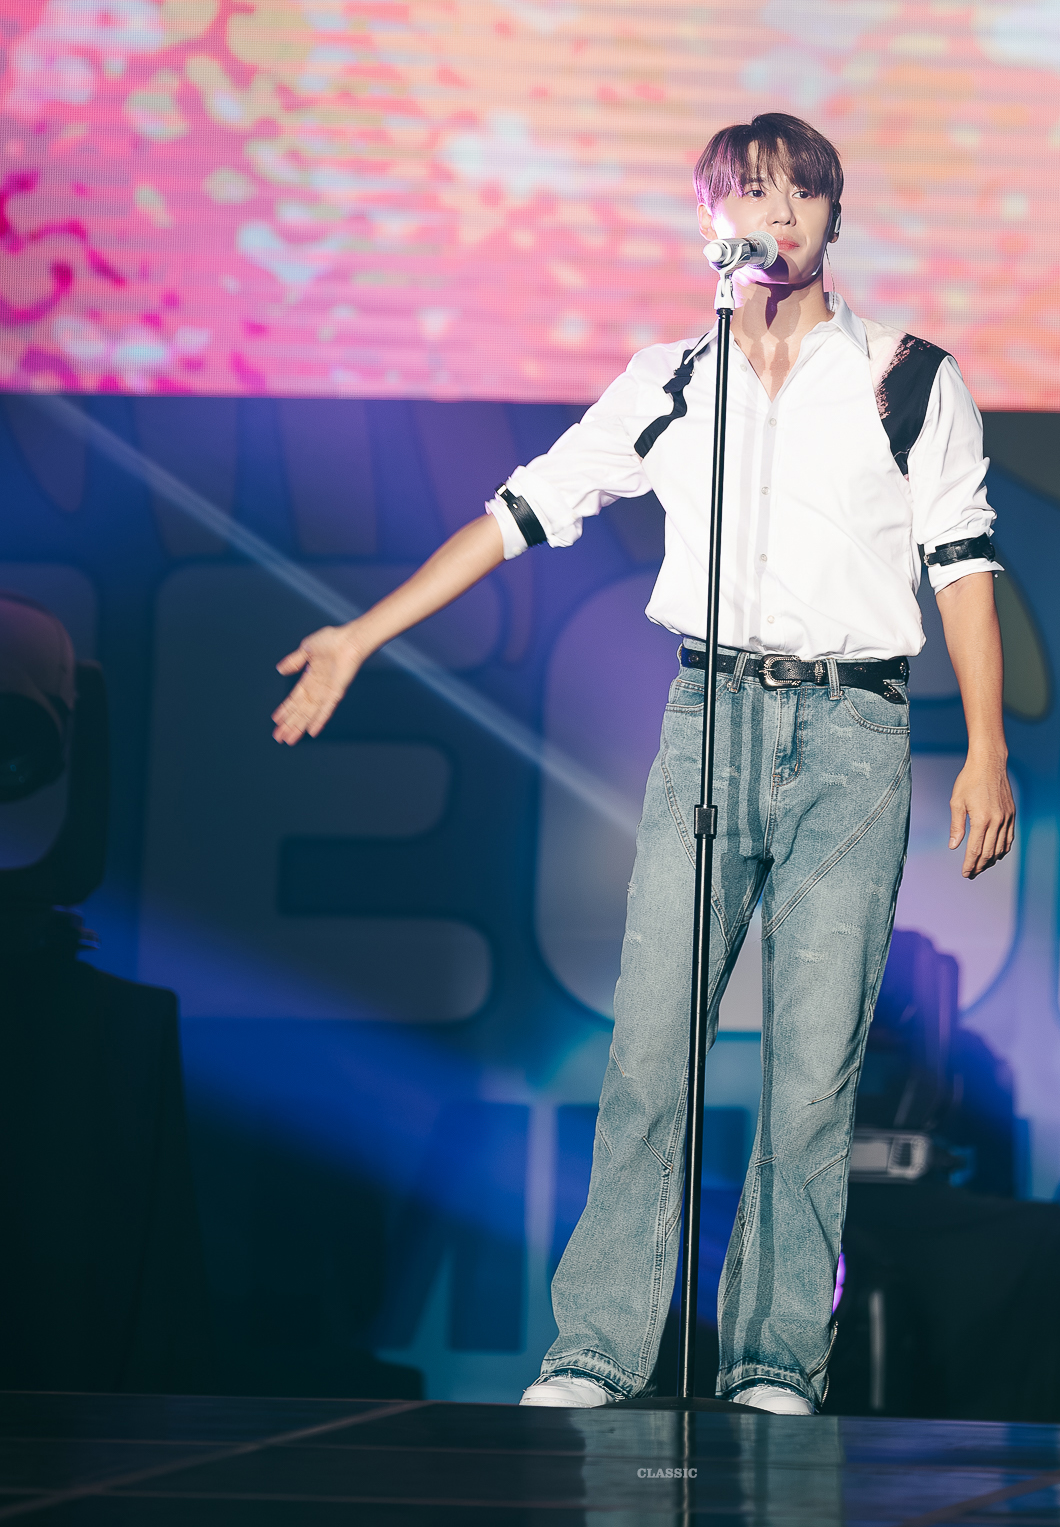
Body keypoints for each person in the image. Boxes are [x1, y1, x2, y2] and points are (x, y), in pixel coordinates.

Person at [272, 111, 1015, 1413]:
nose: (778, 216)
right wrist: (361, 634)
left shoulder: (906, 378)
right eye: (753, 193)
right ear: (709, 219)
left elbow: (961, 560)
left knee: (813, 1069)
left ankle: (773, 1359)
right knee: (652, 1052)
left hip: (853, 732)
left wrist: (988, 746)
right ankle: (597, 1351)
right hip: (708, 720)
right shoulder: (671, 379)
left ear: (836, 217)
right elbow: (521, 511)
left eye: (803, 194)